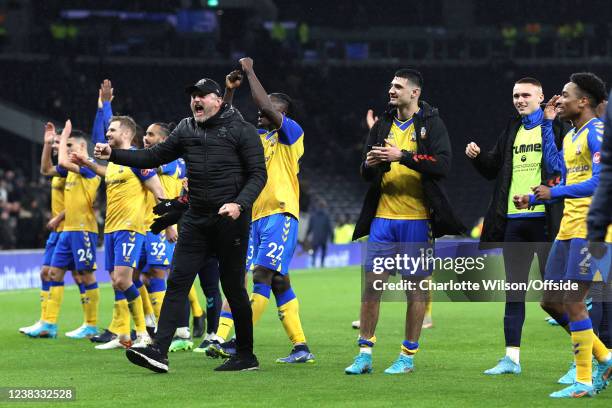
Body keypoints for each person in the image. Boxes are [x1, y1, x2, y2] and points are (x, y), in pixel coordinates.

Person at [94, 77, 266, 372]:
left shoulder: (242, 129)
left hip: (230, 220)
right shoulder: (186, 128)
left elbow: (258, 175)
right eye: (192, 96)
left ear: (217, 100)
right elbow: (153, 155)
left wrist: (239, 204)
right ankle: (159, 351)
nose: (196, 100)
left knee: (233, 288)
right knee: (177, 282)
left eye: (202, 95)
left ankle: (246, 354)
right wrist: (115, 155)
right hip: (197, 220)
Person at [346, 68, 464, 375]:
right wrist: (370, 165)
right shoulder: (383, 123)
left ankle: (407, 357)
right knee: (372, 288)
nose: (391, 90)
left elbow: (443, 164)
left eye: (398, 86)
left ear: (415, 93)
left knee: (415, 292)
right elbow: (365, 169)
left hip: (417, 220)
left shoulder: (431, 123)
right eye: (390, 85)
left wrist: (404, 157)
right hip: (383, 220)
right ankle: (364, 354)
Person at [207, 58, 314, 363]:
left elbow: (264, 105)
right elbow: (224, 122)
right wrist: (228, 91)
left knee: (261, 274)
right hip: (255, 217)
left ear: (281, 114)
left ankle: (236, 340)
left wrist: (251, 71)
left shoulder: (292, 135)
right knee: (279, 281)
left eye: (270, 108)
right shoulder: (256, 139)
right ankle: (301, 347)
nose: (260, 111)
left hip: (281, 214)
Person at [514, 72, 612, 398]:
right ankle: (606, 356)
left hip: (592, 228)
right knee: (550, 302)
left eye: (566, 95)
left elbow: (600, 181)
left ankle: (583, 380)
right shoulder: (571, 136)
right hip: (568, 228)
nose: (560, 99)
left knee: (572, 301)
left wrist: (553, 194)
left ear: (583, 101)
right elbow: (561, 174)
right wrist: (538, 195)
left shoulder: (598, 132)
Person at [465, 77, 567, 375]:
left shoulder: (558, 128)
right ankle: (511, 358)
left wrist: (538, 197)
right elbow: (492, 169)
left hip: (547, 221)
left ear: (541, 97)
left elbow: (563, 172)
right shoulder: (512, 129)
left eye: (525, 95)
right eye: (515, 96)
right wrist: (478, 157)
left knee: (559, 298)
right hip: (514, 222)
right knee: (514, 293)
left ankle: (586, 357)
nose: (519, 100)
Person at [75, 115, 173, 350]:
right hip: (110, 229)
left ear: (127, 134)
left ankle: (142, 333)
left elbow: (158, 190)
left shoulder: (140, 159)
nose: (108, 133)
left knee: (123, 280)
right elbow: (107, 174)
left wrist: (170, 223)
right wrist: (87, 163)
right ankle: (127, 335)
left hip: (130, 228)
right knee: (117, 282)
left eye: (112, 130)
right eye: (108, 130)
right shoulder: (115, 163)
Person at [307, 199, 333, 268]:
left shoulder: (313, 216)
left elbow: (310, 227)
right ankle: (322, 264)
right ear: (324, 206)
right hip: (324, 238)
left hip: (315, 238)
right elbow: (330, 227)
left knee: (314, 252)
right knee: (323, 251)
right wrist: (332, 236)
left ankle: (313, 264)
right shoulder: (327, 216)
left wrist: (306, 236)